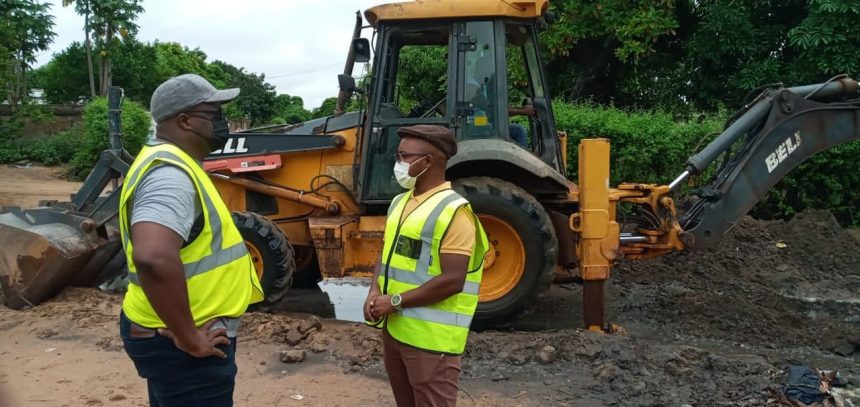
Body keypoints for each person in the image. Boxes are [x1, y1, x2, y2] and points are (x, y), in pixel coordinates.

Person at [118, 73, 264, 407]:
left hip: (166, 330)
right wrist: (189, 337)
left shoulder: (175, 162)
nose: (223, 123)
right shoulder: (170, 175)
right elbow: (152, 256)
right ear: (184, 120)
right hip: (179, 341)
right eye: (213, 115)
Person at [364, 124, 488, 407]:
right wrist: (373, 292)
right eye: (398, 156)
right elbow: (386, 254)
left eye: (405, 157)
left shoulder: (454, 212)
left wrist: (393, 301)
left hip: (432, 342)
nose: (398, 163)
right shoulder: (399, 202)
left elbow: (453, 280)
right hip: (396, 330)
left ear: (428, 161)